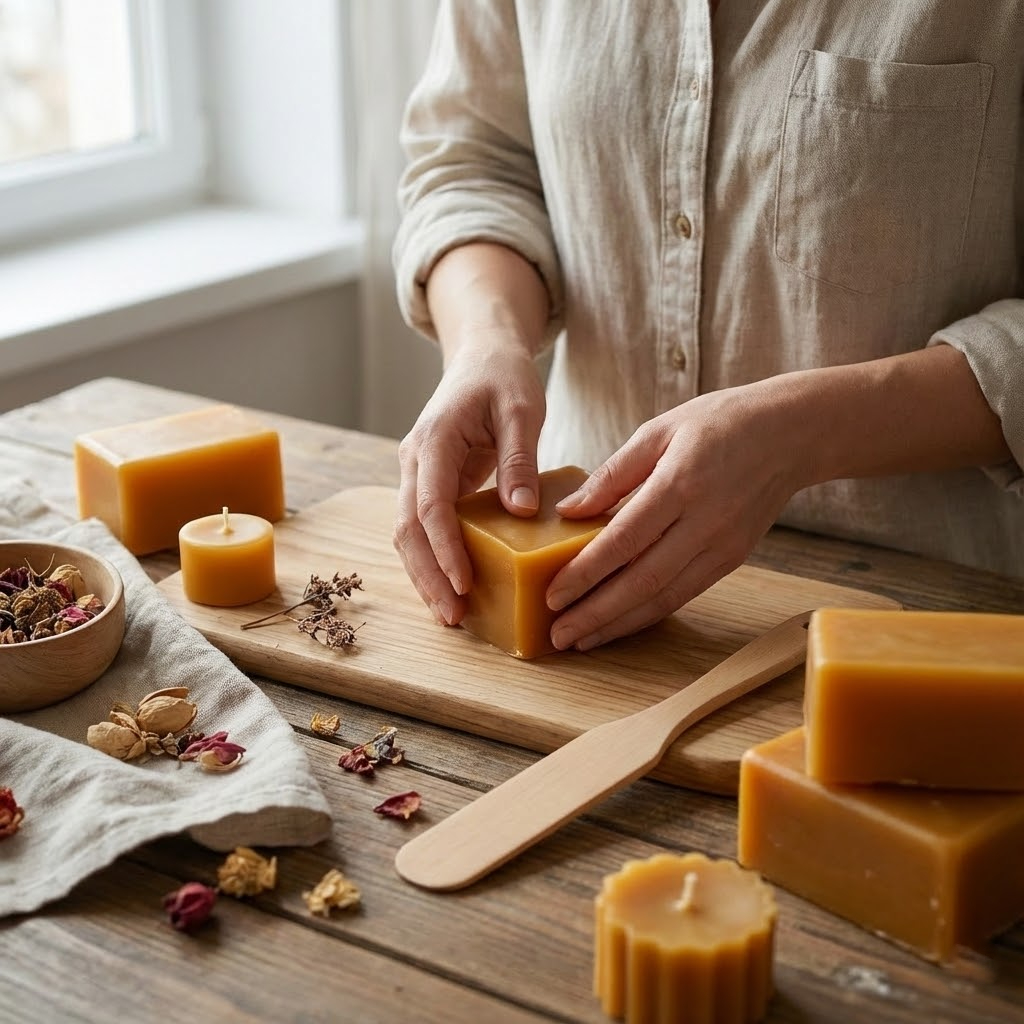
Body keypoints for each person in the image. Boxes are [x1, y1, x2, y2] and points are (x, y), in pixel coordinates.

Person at [390, 0, 1024, 654]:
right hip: (580, 615)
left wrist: (794, 437)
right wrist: (485, 339)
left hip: (929, 623)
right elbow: (476, 162)